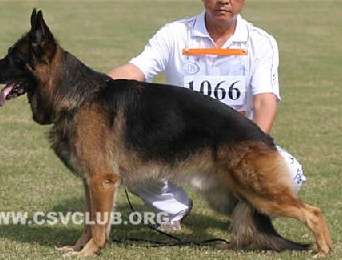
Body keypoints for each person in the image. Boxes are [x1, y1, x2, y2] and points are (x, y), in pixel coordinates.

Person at [108, 0, 306, 230]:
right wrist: (94, 87)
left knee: (292, 173)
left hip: (234, 144)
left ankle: (250, 212)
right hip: (181, 146)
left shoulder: (260, 41)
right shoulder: (174, 34)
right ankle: (172, 209)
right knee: (126, 159)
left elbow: (264, 101)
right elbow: (135, 70)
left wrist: (250, 156)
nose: (223, 1)